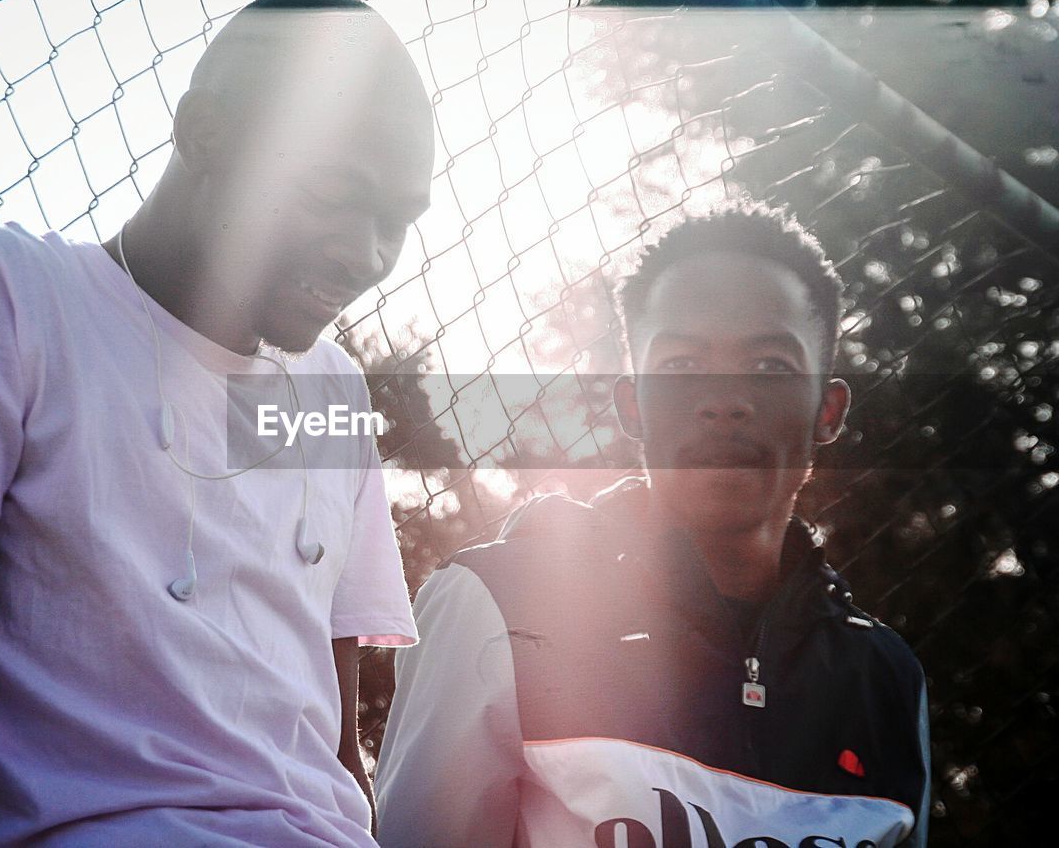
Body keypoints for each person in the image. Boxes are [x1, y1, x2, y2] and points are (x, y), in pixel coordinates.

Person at [0, 0, 434, 845]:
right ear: (206, 133)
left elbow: (330, 744)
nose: (368, 253)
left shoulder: (334, 393)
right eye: (336, 193)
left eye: (397, 222)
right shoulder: (3, 292)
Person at [375, 202, 930, 848]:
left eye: (771, 367)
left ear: (828, 410)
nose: (725, 401)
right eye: (682, 367)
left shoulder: (887, 680)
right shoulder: (496, 604)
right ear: (632, 405)